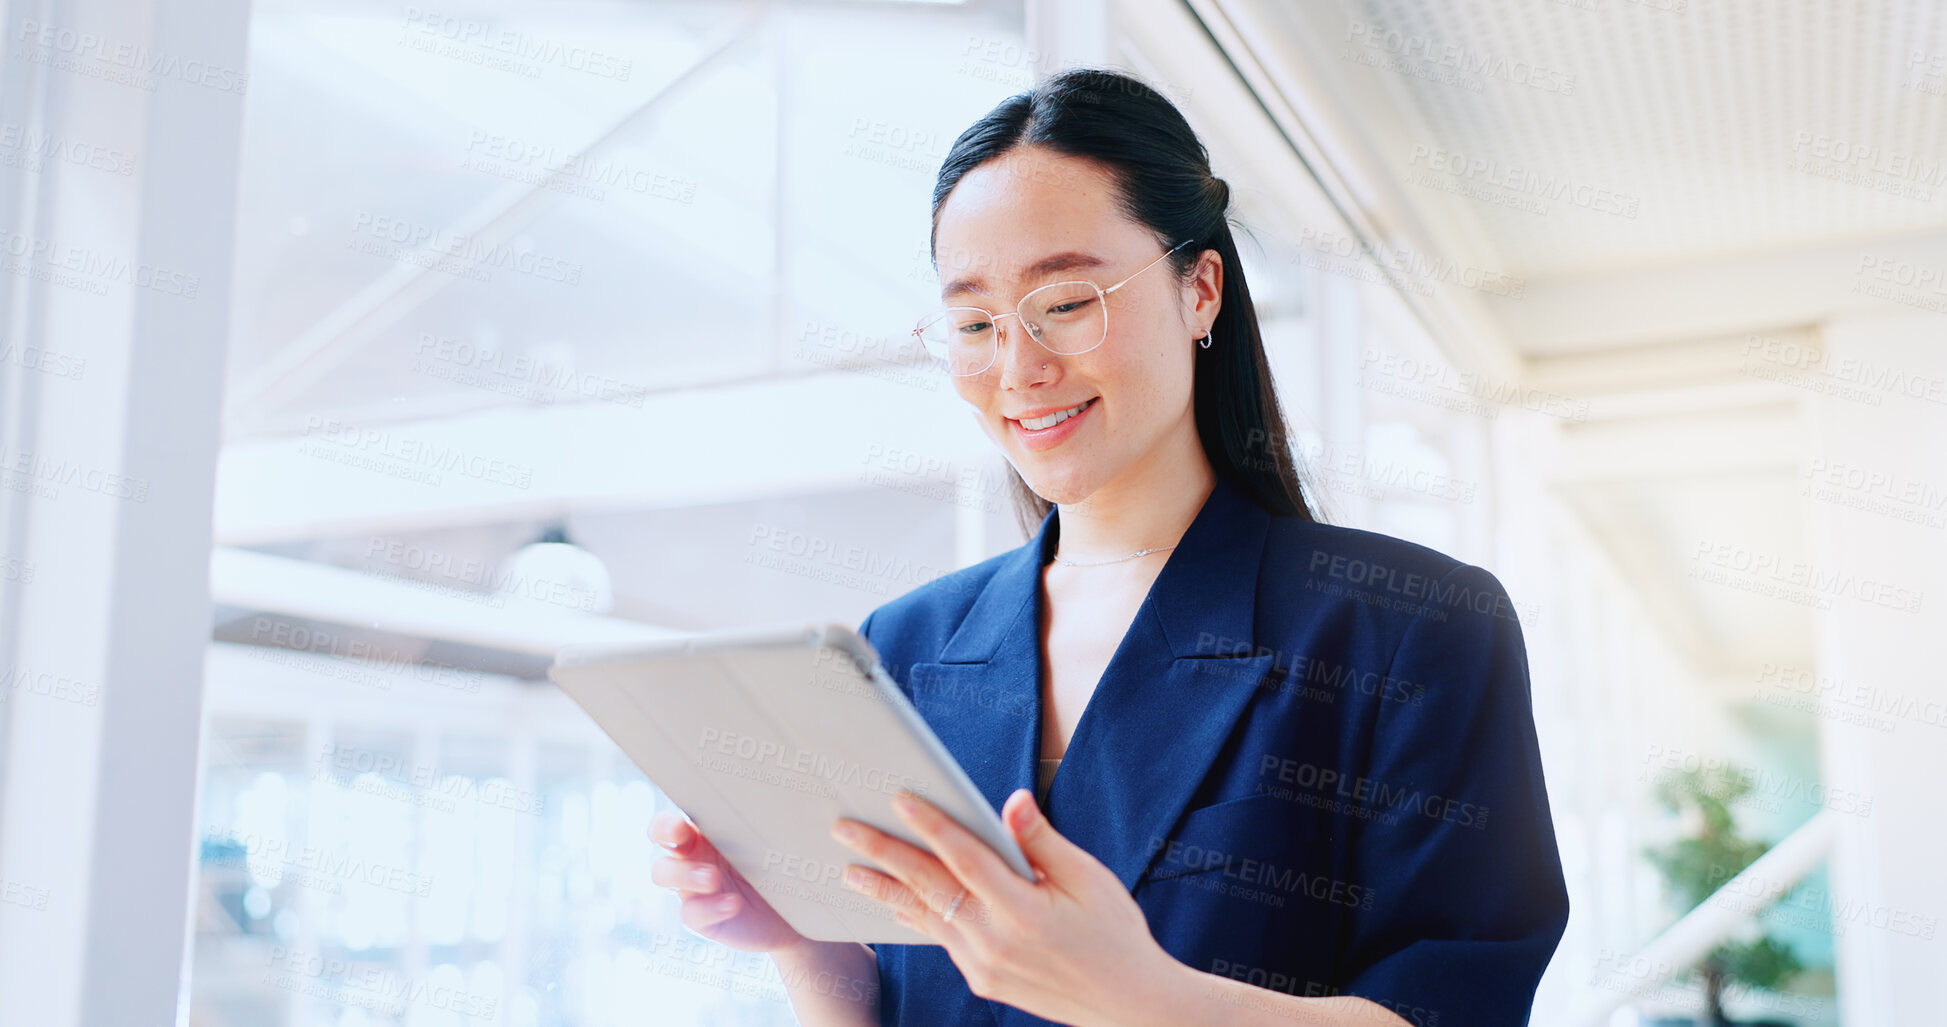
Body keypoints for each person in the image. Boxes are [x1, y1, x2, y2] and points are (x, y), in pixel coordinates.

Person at [650, 68, 1569, 1026]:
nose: (1019, 367)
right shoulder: (907, 646)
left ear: (1199, 288)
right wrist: (806, 937)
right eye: (973, 323)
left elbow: (1453, 1009)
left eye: (1067, 300)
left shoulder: (1409, 628)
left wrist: (1141, 998)